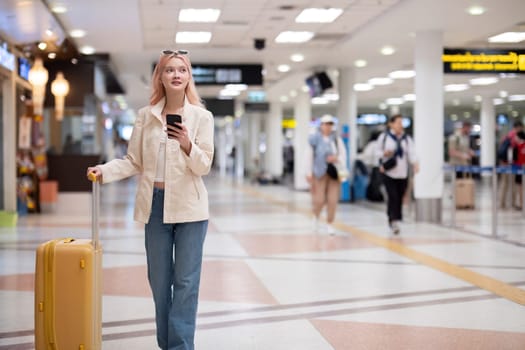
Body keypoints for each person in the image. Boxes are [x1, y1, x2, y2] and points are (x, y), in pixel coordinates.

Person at [87, 49, 214, 350]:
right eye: (169, 70)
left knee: (185, 284)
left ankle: (179, 346)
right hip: (154, 207)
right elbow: (133, 161)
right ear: (160, 76)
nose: (176, 75)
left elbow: (204, 165)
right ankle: (166, 343)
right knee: (159, 282)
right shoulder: (146, 116)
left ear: (188, 76)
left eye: (181, 70)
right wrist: (103, 170)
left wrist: (186, 144)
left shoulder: (201, 117)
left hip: (191, 210)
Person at [376, 115, 418, 235]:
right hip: (388, 172)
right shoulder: (384, 137)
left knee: (400, 196)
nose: (400, 125)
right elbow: (376, 152)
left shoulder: (406, 139)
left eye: (402, 123)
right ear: (391, 124)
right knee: (392, 196)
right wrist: (384, 153)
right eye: (398, 122)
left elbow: (411, 153)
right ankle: (393, 220)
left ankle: (397, 217)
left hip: (402, 172)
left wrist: (415, 163)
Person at [305, 114, 347, 235]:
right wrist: (308, 172)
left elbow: (343, 155)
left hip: (334, 173)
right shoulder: (314, 140)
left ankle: (330, 223)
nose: (327, 127)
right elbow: (308, 156)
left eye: (330, 124)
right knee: (319, 199)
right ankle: (316, 216)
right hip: (319, 173)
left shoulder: (336, 139)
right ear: (321, 126)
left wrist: (336, 158)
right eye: (325, 124)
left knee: (332, 200)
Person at [498, 121, 523, 209]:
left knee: (504, 183)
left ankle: (502, 203)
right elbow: (520, 146)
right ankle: (512, 203)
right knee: (511, 183)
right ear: (518, 127)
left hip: (503, 162)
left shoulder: (507, 135)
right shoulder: (514, 136)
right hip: (510, 163)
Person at [512, 130, 525, 210]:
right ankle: (520, 203)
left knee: (521, 188)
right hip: (518, 169)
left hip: (521, 169)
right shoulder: (516, 147)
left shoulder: (520, 146)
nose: (515, 138)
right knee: (519, 187)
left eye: (516, 136)